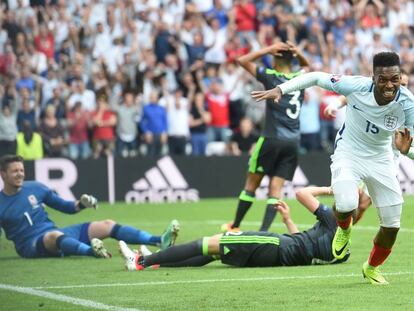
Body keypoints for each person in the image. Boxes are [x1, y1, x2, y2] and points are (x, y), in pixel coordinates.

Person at [250, 52, 414, 284]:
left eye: (395, 79)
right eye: (383, 79)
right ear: (373, 77)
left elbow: (411, 146)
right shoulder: (356, 85)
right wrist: (282, 89)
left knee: (392, 226)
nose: (390, 85)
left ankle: (371, 267)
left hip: (382, 159)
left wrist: (407, 151)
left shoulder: (407, 103)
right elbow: (316, 77)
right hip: (349, 152)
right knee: (347, 204)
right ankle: (344, 230)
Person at [118, 185, 370, 271]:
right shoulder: (343, 247)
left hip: (274, 246)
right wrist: (288, 220)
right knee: (213, 253)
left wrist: (330, 189)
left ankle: (141, 261)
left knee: (209, 242)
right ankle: (156, 262)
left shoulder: (333, 221)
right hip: (280, 255)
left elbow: (302, 192)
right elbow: (307, 248)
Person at [0, 155, 180, 259]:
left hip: (57, 234)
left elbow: (66, 207)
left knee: (107, 224)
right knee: (54, 236)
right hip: (30, 245)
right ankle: (91, 251)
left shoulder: (35, 188)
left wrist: (81, 204)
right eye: (15, 171)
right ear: (3, 175)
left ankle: (157, 240)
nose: (20, 174)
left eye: (22, 170)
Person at [222, 41, 309, 233]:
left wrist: (267, 49)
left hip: (272, 138)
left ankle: (235, 226)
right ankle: (263, 232)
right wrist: (299, 53)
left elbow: (242, 60)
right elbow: (307, 66)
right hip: (293, 142)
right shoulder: (301, 77)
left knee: (251, 184)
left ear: (275, 59)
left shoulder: (272, 76)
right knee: (275, 190)